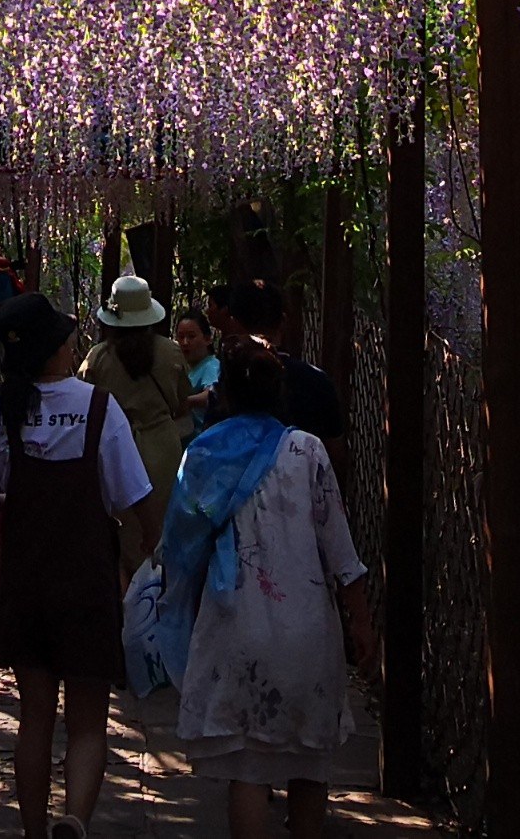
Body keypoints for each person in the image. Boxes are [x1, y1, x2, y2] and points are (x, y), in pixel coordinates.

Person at [150, 343, 378, 839]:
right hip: (307, 630)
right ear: (280, 391)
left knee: (249, 771)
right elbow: (341, 551)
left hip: (235, 624)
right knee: (309, 765)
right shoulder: (307, 450)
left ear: (224, 392)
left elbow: (179, 546)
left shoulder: (205, 453)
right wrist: (362, 624)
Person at [0, 293, 161, 839]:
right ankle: (74, 817)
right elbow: (134, 497)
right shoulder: (99, 407)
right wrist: (151, 545)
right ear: (58, 347)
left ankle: (33, 832)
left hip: (26, 583)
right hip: (86, 582)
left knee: (34, 718)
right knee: (88, 722)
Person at [80, 273, 191, 568]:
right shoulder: (171, 352)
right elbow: (181, 403)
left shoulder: (97, 357)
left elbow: (86, 404)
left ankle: (123, 595)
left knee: (121, 526)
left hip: (114, 446)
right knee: (163, 522)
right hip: (163, 446)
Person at [220, 276, 342, 446]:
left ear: (233, 324)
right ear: (282, 321)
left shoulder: (228, 378)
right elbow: (333, 452)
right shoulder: (317, 382)